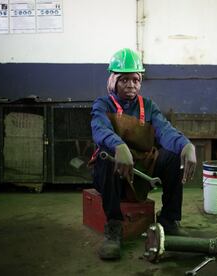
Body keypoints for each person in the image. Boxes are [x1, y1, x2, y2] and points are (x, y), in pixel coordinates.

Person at [90, 48, 196, 260]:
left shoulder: (148, 106)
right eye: (124, 80)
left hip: (142, 167)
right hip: (114, 172)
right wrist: (118, 146)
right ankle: (114, 228)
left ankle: (168, 220)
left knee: (173, 158)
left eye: (135, 80)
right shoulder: (103, 104)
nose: (131, 85)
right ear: (114, 81)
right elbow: (99, 129)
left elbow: (165, 130)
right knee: (105, 156)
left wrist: (185, 145)